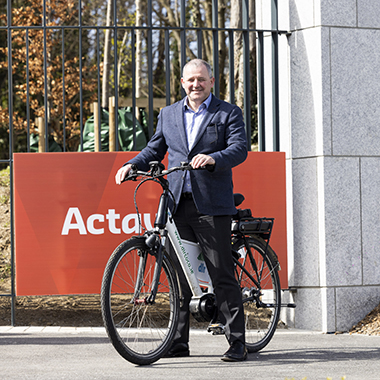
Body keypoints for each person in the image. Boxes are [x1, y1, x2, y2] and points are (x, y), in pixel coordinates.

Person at [115, 59, 248, 362]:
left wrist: (214, 158)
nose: (195, 85)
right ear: (182, 83)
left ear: (212, 81)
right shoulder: (169, 113)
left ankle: (237, 342)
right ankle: (178, 342)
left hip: (211, 205)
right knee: (178, 275)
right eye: (190, 80)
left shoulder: (227, 113)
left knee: (221, 273)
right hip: (176, 202)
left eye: (201, 79)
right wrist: (131, 164)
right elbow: (155, 149)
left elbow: (239, 148)